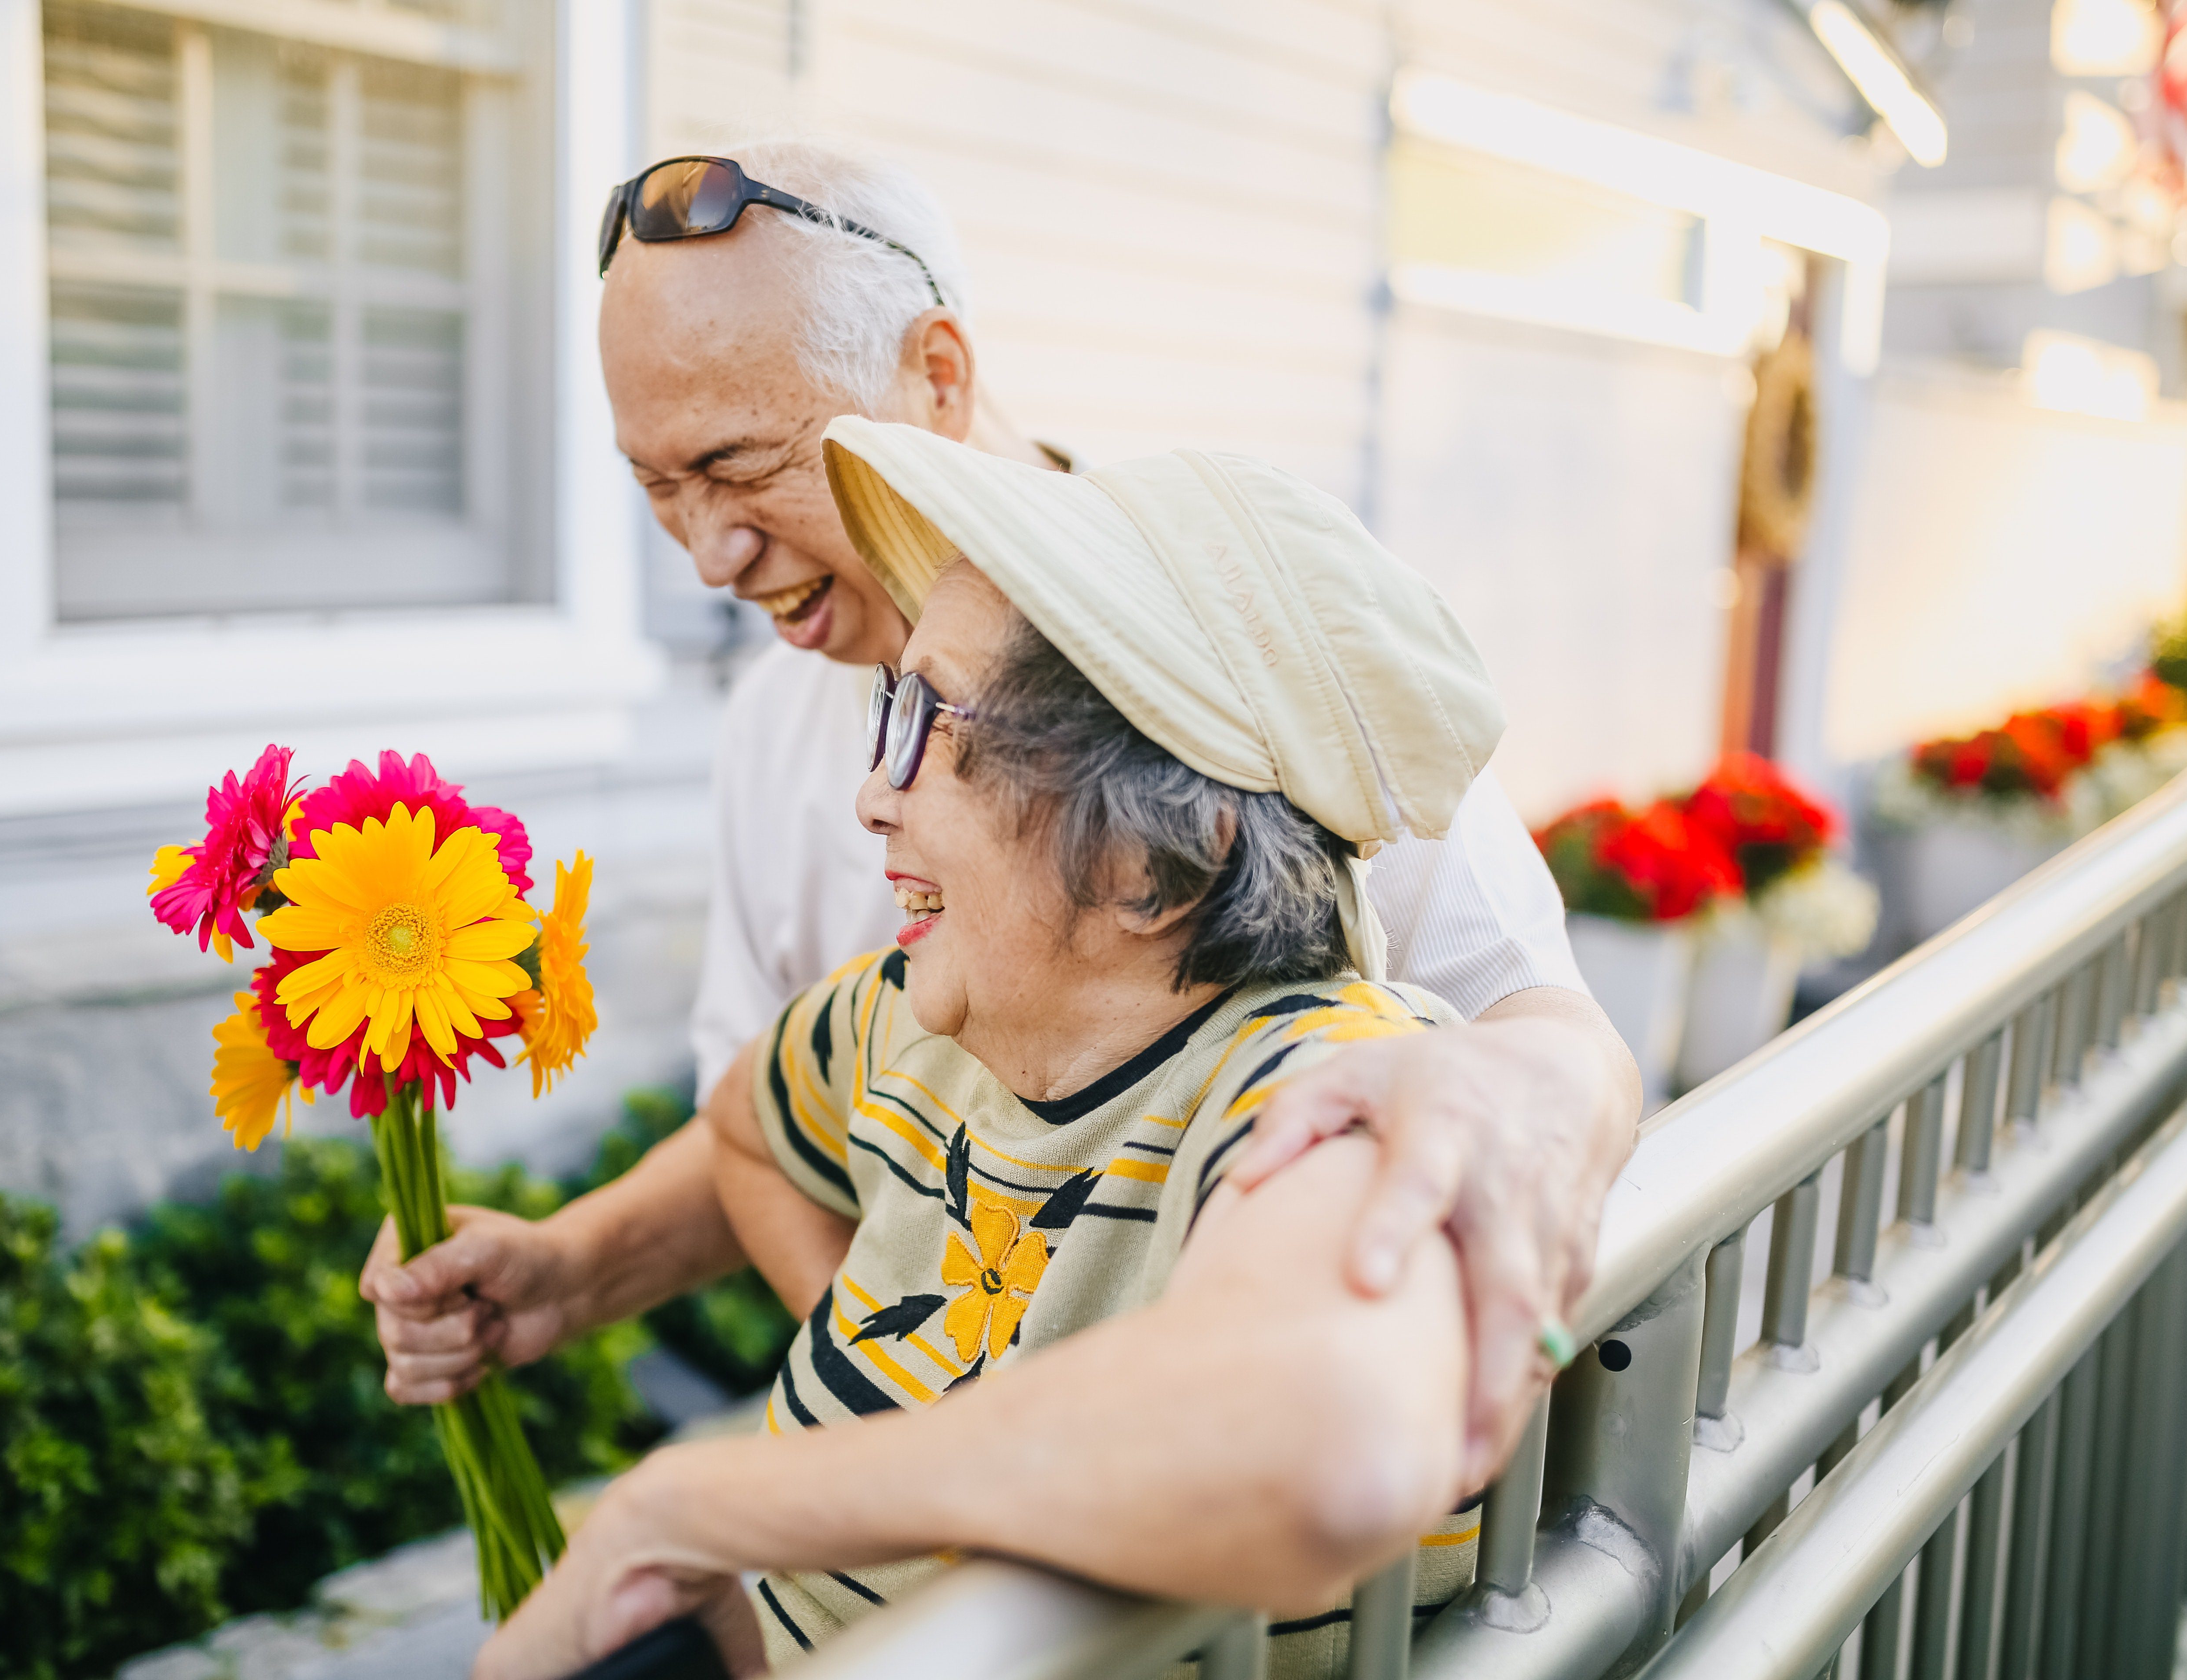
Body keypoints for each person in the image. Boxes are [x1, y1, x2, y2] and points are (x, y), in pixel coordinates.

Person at [364, 139, 1637, 1504]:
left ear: (941, 376)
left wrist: (1531, 1102)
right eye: (659, 488)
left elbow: (1538, 1028)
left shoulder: (1225, 645)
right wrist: (583, 1273)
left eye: (740, 466)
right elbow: (780, 1110)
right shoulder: (770, 726)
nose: (709, 554)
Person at [473, 416, 1529, 1679]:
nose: (875, 790)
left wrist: (688, 1507)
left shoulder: (1315, 1086)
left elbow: (1329, 1451)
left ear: (1154, 862)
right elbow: (749, 1133)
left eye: (931, 721)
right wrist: (892, 1388)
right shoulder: (907, 1023)